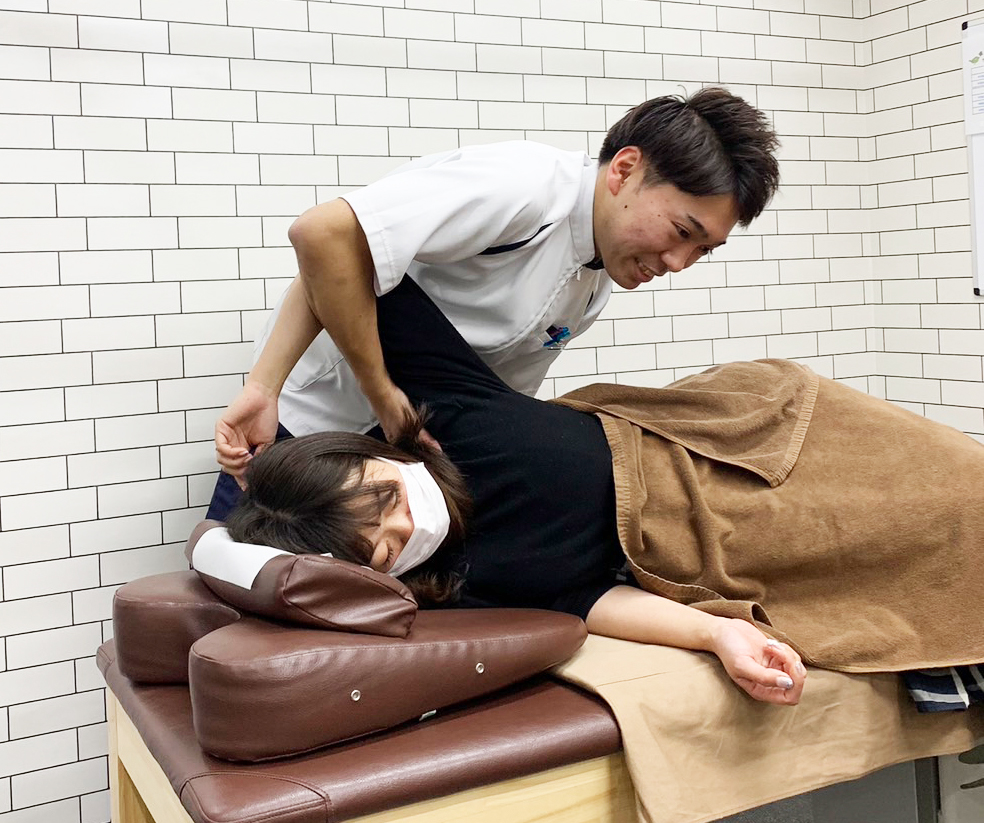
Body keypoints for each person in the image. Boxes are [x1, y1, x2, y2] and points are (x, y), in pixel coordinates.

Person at [224, 278, 984, 712]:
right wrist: (716, 635)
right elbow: (590, 600)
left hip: (740, 428)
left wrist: (267, 388)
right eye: (387, 548)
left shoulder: (440, 414)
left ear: (370, 452)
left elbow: (333, 254)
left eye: (387, 496)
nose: (411, 522)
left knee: (956, 471)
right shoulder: (461, 583)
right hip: (722, 531)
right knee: (940, 528)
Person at [208, 87, 781, 519]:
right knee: (245, 600)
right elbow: (327, 238)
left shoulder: (596, 277)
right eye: (682, 231)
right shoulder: (525, 186)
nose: (679, 263)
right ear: (626, 170)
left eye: (702, 250)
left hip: (394, 459)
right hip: (307, 430)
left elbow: (492, 399)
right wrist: (269, 388)